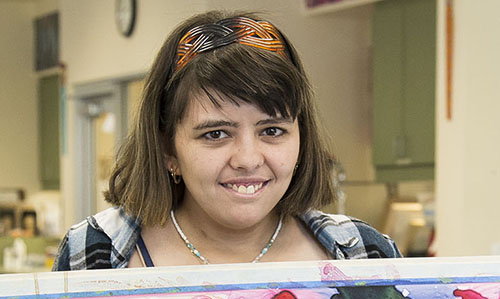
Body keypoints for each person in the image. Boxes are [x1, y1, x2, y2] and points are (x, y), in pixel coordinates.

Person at [53, 10, 400, 272]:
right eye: (215, 134)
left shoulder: (364, 254)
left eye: (272, 131)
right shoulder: (96, 253)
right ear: (167, 148)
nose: (248, 159)